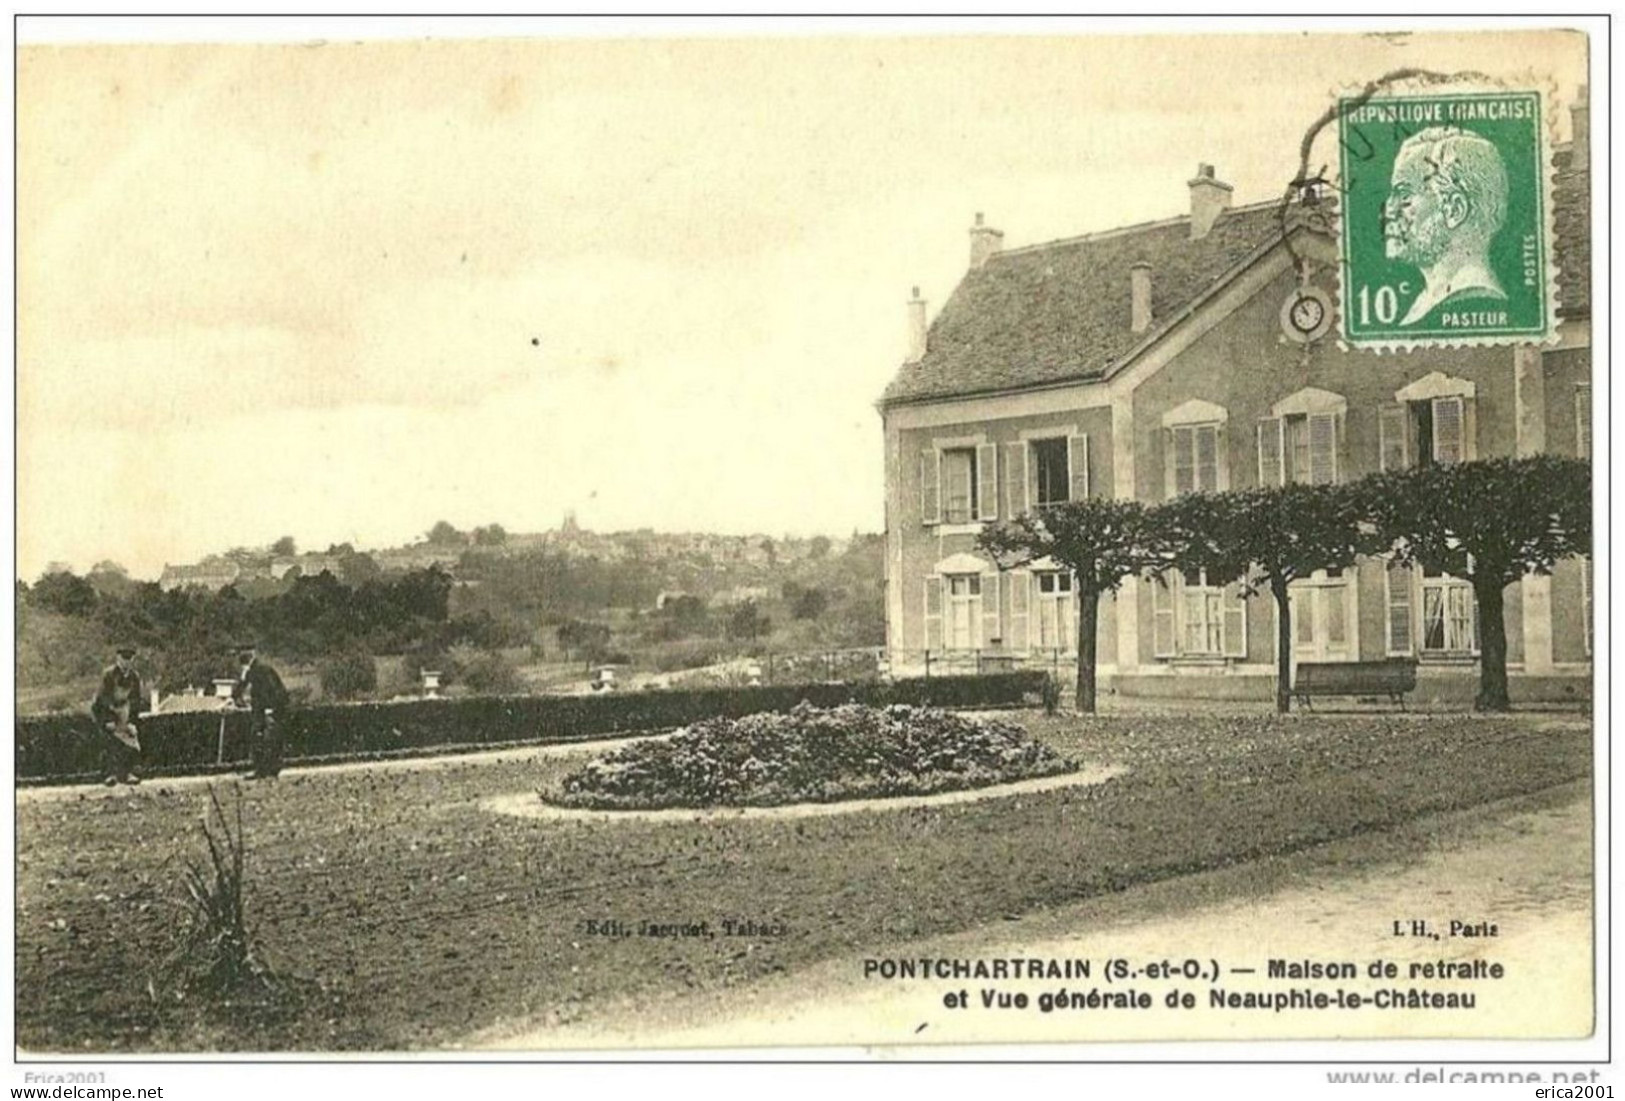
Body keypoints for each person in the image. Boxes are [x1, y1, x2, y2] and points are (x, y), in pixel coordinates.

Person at [1382, 125, 1511, 326]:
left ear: (1454, 210)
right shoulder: (1424, 303)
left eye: (1405, 196)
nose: (1388, 210)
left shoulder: (1473, 299)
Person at [231, 642, 290, 780]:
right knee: (261, 738)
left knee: (266, 739)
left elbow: (272, 690)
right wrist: (234, 698)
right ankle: (264, 770)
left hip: (268, 709)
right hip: (262, 709)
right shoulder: (253, 669)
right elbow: (242, 687)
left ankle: (266, 770)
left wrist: (270, 708)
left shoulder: (261, 669)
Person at [90, 645, 144, 786]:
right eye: (124, 658)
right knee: (109, 742)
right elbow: (102, 699)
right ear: (118, 658)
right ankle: (109, 775)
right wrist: (108, 719)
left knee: (130, 740)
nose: (126, 662)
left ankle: (128, 774)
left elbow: (136, 700)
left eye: (130, 658)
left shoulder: (134, 677)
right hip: (105, 711)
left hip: (124, 711)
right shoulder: (109, 675)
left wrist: (132, 721)